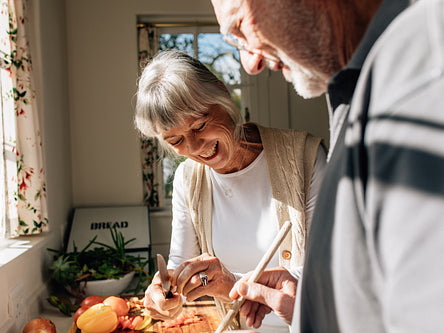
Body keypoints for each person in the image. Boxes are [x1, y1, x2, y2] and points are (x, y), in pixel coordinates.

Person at [211, 0, 444, 331]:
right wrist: (311, 302)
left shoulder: (421, 77)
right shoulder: (361, 87)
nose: (250, 63)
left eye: (240, 28)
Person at [134, 49, 327, 333]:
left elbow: (325, 271)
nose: (195, 147)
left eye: (199, 125)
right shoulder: (187, 179)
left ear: (222, 96)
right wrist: (165, 289)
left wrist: (233, 282)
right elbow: (179, 262)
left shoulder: (304, 157)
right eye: (176, 140)